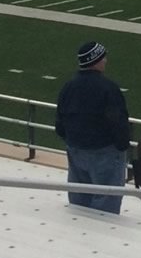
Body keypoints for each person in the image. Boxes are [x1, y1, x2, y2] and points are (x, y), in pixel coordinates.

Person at [55, 40, 132, 212]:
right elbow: (118, 122)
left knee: (79, 204)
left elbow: (59, 123)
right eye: (103, 58)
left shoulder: (68, 87)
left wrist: (73, 142)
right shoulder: (108, 88)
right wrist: (121, 146)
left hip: (76, 151)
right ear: (96, 60)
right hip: (105, 154)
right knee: (106, 205)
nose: (106, 61)